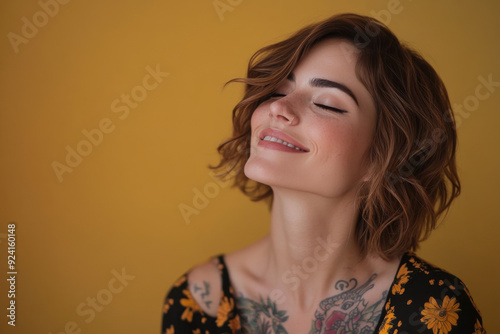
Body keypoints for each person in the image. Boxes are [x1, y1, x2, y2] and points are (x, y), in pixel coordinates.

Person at [161, 13, 485, 334]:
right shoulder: (198, 300)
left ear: (382, 158)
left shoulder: (436, 309)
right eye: (276, 91)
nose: (279, 107)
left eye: (327, 104)